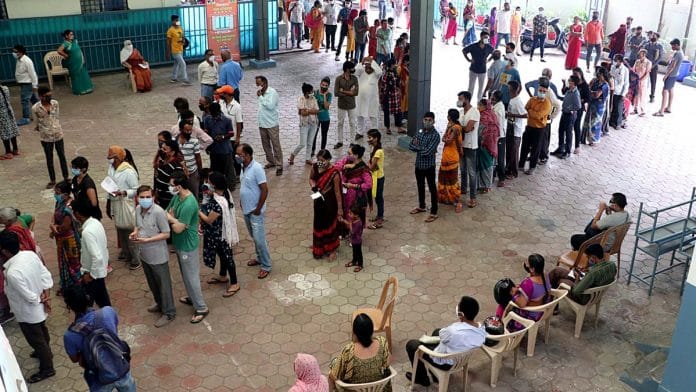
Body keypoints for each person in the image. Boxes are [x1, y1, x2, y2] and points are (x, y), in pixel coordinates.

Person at [1, 230, 55, 384]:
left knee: (36, 338)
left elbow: (28, 296)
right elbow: (45, 275)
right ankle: (45, 352)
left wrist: (40, 299)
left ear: (5, 251)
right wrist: (46, 295)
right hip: (38, 305)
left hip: (28, 310)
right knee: (42, 331)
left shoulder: (12, 272)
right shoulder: (30, 255)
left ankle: (47, 367)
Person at [62, 286, 137, 391]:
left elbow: (74, 359)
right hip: (120, 366)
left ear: (69, 306)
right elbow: (114, 331)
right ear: (88, 298)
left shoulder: (70, 335)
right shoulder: (107, 312)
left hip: (98, 376)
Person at [404, 296, 485, 387]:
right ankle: (435, 376)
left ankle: (422, 379)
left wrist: (458, 323)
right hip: (461, 359)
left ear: (461, 314)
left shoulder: (454, 330)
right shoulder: (481, 329)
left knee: (412, 345)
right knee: (436, 331)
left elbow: (443, 334)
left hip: (445, 362)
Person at [166, 170, 210, 323]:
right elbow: (167, 212)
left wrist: (172, 219)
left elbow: (178, 228)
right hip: (179, 243)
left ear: (179, 186)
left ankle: (201, 307)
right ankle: (192, 297)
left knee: (191, 277)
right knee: (186, 274)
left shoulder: (189, 203)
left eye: (172, 185)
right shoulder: (178, 197)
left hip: (187, 245)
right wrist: (173, 219)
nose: (170, 188)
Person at [130, 185, 175, 328]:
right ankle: (159, 303)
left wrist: (148, 240)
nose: (145, 200)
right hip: (144, 254)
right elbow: (137, 225)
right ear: (137, 198)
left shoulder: (159, 212)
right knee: (152, 283)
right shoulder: (137, 209)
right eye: (142, 197)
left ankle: (169, 312)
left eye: (148, 197)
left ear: (153, 197)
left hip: (157, 255)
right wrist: (135, 232)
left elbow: (166, 233)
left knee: (163, 285)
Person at [198, 173, 240, 298]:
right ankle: (222, 276)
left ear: (214, 185)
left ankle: (235, 283)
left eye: (209, 182)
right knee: (221, 255)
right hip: (215, 234)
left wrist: (198, 211)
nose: (207, 184)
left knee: (227, 257)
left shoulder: (218, 203)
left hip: (221, 235)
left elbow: (209, 220)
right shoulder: (218, 195)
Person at [236, 144, 273, 279]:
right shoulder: (243, 167)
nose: (237, 157)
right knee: (254, 237)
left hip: (255, 211)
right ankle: (259, 258)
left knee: (259, 239)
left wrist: (258, 208)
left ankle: (266, 265)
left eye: (239, 155)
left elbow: (264, 189)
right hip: (246, 209)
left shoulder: (257, 168)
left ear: (248, 155)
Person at [329, 314, 391, 390]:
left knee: (332, 368)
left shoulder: (348, 351)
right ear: (372, 330)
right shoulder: (382, 342)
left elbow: (334, 376)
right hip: (377, 389)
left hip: (354, 390)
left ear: (355, 332)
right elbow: (388, 363)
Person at [105, 145, 140, 270]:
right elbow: (108, 186)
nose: (109, 158)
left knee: (130, 232)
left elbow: (136, 190)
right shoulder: (111, 169)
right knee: (120, 231)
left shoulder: (129, 171)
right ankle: (126, 254)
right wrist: (108, 203)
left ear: (118, 157)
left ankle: (136, 258)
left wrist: (124, 192)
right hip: (115, 202)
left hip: (126, 203)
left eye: (112, 156)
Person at [72, 198, 111, 308]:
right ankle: (110, 320)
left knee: (85, 305)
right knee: (103, 301)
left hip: (93, 275)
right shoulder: (95, 222)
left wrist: (90, 275)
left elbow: (97, 257)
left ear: (78, 214)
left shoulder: (87, 232)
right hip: (100, 271)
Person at [549, 244, 617, 304]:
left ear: (594, 257)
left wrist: (577, 277)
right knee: (556, 270)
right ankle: (547, 295)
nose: (587, 259)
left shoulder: (593, 273)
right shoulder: (612, 265)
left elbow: (575, 291)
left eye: (588, 257)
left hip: (584, 297)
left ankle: (550, 302)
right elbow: (601, 274)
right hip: (590, 286)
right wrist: (588, 270)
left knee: (559, 281)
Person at [32, 86, 69, 189]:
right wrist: (45, 129)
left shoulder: (55, 103)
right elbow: (36, 124)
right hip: (46, 137)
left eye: (49, 95)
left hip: (58, 134)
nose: (48, 98)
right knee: (49, 158)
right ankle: (52, 180)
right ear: (40, 97)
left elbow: (56, 117)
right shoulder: (35, 108)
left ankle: (66, 177)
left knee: (62, 156)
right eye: (46, 96)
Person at [309, 149, 342, 260]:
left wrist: (340, 208)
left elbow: (337, 192)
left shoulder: (334, 173)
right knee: (318, 223)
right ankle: (319, 246)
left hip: (330, 203)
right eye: (318, 159)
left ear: (328, 160)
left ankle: (331, 250)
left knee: (329, 225)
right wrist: (313, 187)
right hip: (318, 200)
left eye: (322, 160)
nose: (320, 162)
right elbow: (311, 179)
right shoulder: (315, 167)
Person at [50, 181, 82, 293]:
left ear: (65, 194)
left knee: (73, 262)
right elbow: (55, 215)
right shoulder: (59, 203)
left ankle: (77, 286)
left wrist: (54, 229)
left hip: (69, 239)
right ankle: (67, 285)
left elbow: (66, 226)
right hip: (60, 238)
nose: (55, 195)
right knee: (63, 262)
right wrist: (52, 224)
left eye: (57, 193)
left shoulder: (69, 206)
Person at [409, 112, 440, 222]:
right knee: (420, 186)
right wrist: (421, 147)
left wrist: (418, 147)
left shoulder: (435, 135)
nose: (427, 122)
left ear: (433, 121)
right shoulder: (420, 131)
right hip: (418, 165)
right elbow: (411, 146)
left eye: (429, 120)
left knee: (432, 188)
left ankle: (434, 211)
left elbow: (428, 152)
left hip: (429, 166)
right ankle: (422, 206)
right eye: (425, 120)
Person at [518, 77, 552, 175]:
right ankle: (521, 164)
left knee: (535, 149)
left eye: (543, 91)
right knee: (524, 146)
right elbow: (525, 109)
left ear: (546, 92)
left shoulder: (547, 103)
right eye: (540, 90)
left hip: (539, 129)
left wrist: (531, 112)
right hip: (529, 127)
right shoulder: (532, 99)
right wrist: (532, 112)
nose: (541, 92)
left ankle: (532, 167)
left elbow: (538, 115)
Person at [508, 254, 551, 330]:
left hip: (532, 314)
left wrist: (512, 294)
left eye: (527, 263)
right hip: (543, 309)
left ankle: (508, 328)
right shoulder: (545, 274)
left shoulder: (528, 283)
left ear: (532, 269)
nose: (525, 264)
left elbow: (521, 304)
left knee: (506, 303)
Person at [334, 144, 372, 226]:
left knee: (351, 214)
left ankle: (353, 232)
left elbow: (368, 184)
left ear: (356, 155)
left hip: (354, 196)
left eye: (349, 154)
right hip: (343, 193)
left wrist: (354, 186)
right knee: (342, 210)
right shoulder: (347, 160)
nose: (348, 155)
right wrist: (344, 166)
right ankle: (343, 230)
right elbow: (335, 167)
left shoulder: (363, 169)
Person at [255, 76, 283, 176]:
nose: (258, 86)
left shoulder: (272, 93)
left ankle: (279, 165)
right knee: (265, 144)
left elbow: (270, 106)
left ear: (265, 83)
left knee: (276, 145)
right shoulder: (261, 93)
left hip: (272, 124)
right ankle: (271, 161)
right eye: (257, 84)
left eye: (259, 84)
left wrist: (261, 97)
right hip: (262, 123)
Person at [437, 109, 463, 212]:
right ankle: (446, 198)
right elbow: (444, 138)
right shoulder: (451, 126)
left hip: (451, 157)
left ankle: (456, 201)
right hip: (447, 156)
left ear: (450, 117)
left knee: (452, 179)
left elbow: (447, 140)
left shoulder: (455, 128)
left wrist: (445, 134)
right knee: (444, 178)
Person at [457, 91, 480, 208]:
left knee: (471, 172)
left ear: (467, 99)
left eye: (461, 99)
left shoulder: (475, 113)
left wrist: (460, 128)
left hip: (471, 146)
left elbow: (466, 129)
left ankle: (473, 197)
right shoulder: (461, 112)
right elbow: (462, 128)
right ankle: (463, 189)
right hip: (462, 145)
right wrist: (463, 128)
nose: (459, 101)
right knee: (462, 169)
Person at [202, 102, 233, 189]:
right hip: (214, 149)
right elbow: (206, 132)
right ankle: (217, 185)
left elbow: (231, 133)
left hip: (225, 149)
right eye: (211, 113)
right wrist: (207, 146)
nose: (213, 115)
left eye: (214, 113)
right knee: (215, 169)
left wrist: (222, 136)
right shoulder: (207, 119)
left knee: (228, 169)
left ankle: (230, 186)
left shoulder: (227, 120)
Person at [290, 83, 320, 166]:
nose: (312, 92)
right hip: (304, 124)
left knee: (310, 142)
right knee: (302, 143)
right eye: (311, 91)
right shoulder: (301, 99)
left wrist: (307, 111)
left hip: (313, 123)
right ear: (307, 92)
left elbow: (317, 110)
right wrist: (310, 111)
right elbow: (303, 113)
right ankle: (293, 155)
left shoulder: (313, 98)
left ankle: (308, 158)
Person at [552, 75, 581, 159]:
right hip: (564, 113)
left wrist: (569, 109)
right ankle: (560, 148)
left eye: (570, 81)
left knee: (568, 133)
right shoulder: (569, 91)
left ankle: (567, 151)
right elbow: (564, 98)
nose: (569, 82)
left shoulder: (576, 93)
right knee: (561, 131)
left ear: (574, 83)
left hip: (570, 115)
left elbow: (578, 106)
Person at [57, 30, 93, 95]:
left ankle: (87, 89)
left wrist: (82, 58)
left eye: (72, 34)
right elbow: (59, 50)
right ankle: (78, 90)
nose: (72, 36)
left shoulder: (75, 42)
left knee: (83, 74)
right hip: (73, 62)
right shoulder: (65, 43)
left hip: (80, 61)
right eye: (70, 34)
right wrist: (65, 55)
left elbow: (79, 50)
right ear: (66, 36)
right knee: (76, 75)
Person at [654, 39, 683, 117]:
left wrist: (666, 75)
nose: (672, 47)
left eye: (673, 45)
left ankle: (661, 111)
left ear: (677, 45)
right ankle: (669, 107)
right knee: (670, 90)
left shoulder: (678, 53)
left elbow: (672, 66)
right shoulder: (680, 52)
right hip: (675, 74)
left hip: (671, 75)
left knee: (664, 91)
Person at [462, 31, 494, 101]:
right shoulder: (473, 46)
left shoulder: (488, 47)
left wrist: (488, 60)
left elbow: (494, 53)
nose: (486, 39)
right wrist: (469, 59)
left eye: (487, 38)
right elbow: (464, 51)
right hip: (473, 70)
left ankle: (479, 103)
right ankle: (468, 101)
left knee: (481, 88)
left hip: (483, 71)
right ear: (481, 37)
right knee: (471, 87)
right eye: (485, 37)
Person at [355, 57, 382, 139]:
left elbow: (380, 71)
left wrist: (372, 61)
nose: (368, 68)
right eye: (366, 66)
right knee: (360, 116)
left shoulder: (376, 74)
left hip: (372, 100)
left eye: (370, 67)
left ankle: (374, 132)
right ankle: (360, 132)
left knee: (373, 116)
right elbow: (355, 71)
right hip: (361, 99)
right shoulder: (361, 71)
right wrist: (362, 61)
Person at [334, 61, 360, 148]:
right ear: (347, 69)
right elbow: (336, 93)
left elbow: (355, 92)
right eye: (352, 68)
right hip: (341, 105)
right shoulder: (338, 79)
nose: (353, 69)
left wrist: (343, 91)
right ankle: (340, 141)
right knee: (340, 123)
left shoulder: (354, 79)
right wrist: (349, 92)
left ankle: (352, 141)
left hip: (351, 105)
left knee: (352, 123)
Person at [476, 99, 499, 194]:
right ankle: (484, 185)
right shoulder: (493, 115)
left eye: (480, 105)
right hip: (490, 144)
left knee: (486, 165)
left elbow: (480, 131)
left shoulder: (484, 116)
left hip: (486, 145)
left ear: (485, 106)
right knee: (486, 164)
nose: (478, 107)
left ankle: (486, 186)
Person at [12, 45, 38, 126]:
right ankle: (43, 111)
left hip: (27, 83)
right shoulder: (19, 60)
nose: (14, 53)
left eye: (16, 52)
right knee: (33, 99)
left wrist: (34, 85)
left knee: (25, 100)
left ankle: (26, 118)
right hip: (23, 83)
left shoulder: (27, 61)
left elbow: (32, 73)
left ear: (21, 52)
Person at [155, 139, 185, 210]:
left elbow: (175, 186)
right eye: (161, 148)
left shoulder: (176, 167)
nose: (162, 151)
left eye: (165, 149)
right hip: (160, 197)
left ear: (172, 152)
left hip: (169, 200)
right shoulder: (162, 160)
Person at [569, 68, 591, 154]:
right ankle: (567, 145)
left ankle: (577, 146)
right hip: (570, 107)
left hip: (578, 108)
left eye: (576, 74)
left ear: (581, 74)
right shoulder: (573, 83)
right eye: (573, 74)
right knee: (568, 127)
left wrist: (579, 100)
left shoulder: (585, 85)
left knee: (576, 126)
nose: (575, 76)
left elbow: (587, 98)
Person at [366, 129, 385, 229]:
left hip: (378, 177)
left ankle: (380, 218)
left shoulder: (378, 152)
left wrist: (366, 167)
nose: (368, 140)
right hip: (375, 176)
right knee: (377, 197)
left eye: (370, 138)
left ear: (376, 138)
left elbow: (372, 167)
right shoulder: (374, 149)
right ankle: (379, 215)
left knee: (379, 198)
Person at [379, 60, 403, 135]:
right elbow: (383, 86)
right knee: (387, 112)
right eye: (393, 64)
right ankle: (388, 128)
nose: (395, 65)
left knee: (398, 112)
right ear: (391, 65)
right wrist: (382, 95)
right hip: (388, 95)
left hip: (395, 95)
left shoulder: (395, 73)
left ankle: (399, 127)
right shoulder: (386, 74)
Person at [587, 67, 610, 144]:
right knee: (590, 121)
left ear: (602, 74)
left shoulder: (605, 85)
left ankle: (595, 140)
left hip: (599, 106)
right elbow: (588, 88)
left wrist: (590, 92)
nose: (597, 74)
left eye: (599, 73)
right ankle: (589, 138)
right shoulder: (596, 81)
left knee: (596, 122)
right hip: (592, 103)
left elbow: (597, 95)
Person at [166, 15, 190, 85]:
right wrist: (167, 52)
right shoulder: (170, 30)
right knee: (183, 64)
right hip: (175, 50)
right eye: (176, 20)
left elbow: (183, 37)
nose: (177, 21)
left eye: (178, 20)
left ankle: (174, 78)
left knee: (176, 64)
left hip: (180, 49)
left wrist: (183, 41)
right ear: (172, 21)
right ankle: (185, 80)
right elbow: (168, 42)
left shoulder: (180, 28)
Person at [311, 77, 332, 156]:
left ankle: (322, 151)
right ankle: (312, 149)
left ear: (328, 86)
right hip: (316, 117)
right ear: (320, 84)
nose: (324, 86)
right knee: (314, 134)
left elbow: (326, 107)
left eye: (326, 85)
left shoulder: (329, 94)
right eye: (322, 84)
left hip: (325, 118)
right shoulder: (315, 93)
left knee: (324, 135)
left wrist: (324, 96)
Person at [490, 91, 507, 187]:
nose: (491, 99)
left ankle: (502, 178)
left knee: (500, 158)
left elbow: (498, 125)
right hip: (496, 136)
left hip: (499, 137)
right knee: (494, 158)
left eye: (492, 97)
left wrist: (496, 138)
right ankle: (493, 174)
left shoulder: (498, 109)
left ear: (495, 99)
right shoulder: (497, 106)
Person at [342, 204, 365, 272]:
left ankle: (360, 265)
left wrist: (350, 223)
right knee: (354, 252)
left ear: (356, 215)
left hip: (357, 241)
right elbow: (349, 225)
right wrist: (343, 220)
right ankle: (354, 261)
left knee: (359, 253)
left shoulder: (358, 223)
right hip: (354, 240)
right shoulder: (353, 220)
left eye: (350, 213)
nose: (349, 215)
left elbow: (352, 231)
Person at [0, 83, 20, 161]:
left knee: (5, 133)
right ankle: (15, 149)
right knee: (12, 130)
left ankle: (8, 152)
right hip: (9, 112)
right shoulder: (5, 89)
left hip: (1, 115)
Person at [609, 54, 630, 129]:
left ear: (620, 61)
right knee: (612, 107)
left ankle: (618, 123)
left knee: (619, 108)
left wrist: (623, 94)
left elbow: (626, 83)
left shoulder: (625, 70)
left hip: (619, 92)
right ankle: (611, 122)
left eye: (616, 60)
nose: (614, 61)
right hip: (612, 90)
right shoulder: (612, 67)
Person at [643, 31, 664, 103]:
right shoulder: (646, 45)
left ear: (657, 38)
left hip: (654, 66)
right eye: (652, 36)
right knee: (642, 79)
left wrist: (653, 65)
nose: (652, 37)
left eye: (654, 36)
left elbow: (660, 57)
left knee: (653, 81)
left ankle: (652, 96)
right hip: (645, 65)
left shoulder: (659, 46)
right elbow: (643, 54)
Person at [632, 49, 652, 116]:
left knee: (642, 95)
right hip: (636, 81)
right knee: (636, 94)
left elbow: (647, 74)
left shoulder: (648, 63)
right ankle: (635, 109)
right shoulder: (637, 61)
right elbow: (633, 70)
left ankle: (643, 110)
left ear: (644, 55)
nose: (639, 56)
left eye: (640, 54)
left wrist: (641, 80)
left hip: (643, 81)